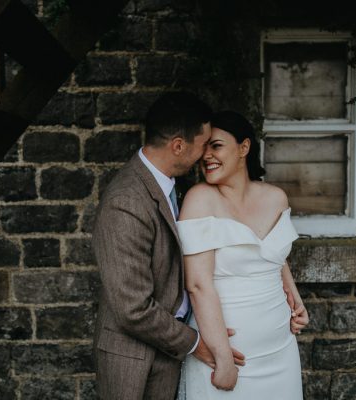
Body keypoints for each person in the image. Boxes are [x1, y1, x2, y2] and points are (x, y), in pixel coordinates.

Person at [92, 92, 245, 400]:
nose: (205, 155)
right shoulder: (126, 202)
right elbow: (132, 309)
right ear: (178, 145)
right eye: (203, 145)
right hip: (134, 360)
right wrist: (195, 343)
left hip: (166, 351)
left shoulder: (173, 186)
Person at [176, 111, 309, 399]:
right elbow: (198, 285)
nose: (207, 155)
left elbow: (272, 253)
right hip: (229, 354)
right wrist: (223, 358)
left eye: (217, 145)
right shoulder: (200, 199)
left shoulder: (276, 197)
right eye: (204, 148)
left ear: (244, 148)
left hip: (280, 350)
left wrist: (294, 294)